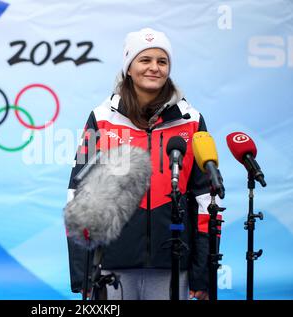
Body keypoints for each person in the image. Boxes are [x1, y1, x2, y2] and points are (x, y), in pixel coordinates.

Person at [66, 27, 220, 300]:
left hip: (172, 265)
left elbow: (206, 201)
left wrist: (202, 273)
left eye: (162, 61)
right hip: (110, 266)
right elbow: (78, 195)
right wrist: (84, 273)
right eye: (145, 60)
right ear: (128, 67)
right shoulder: (101, 119)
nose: (154, 68)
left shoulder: (191, 121)